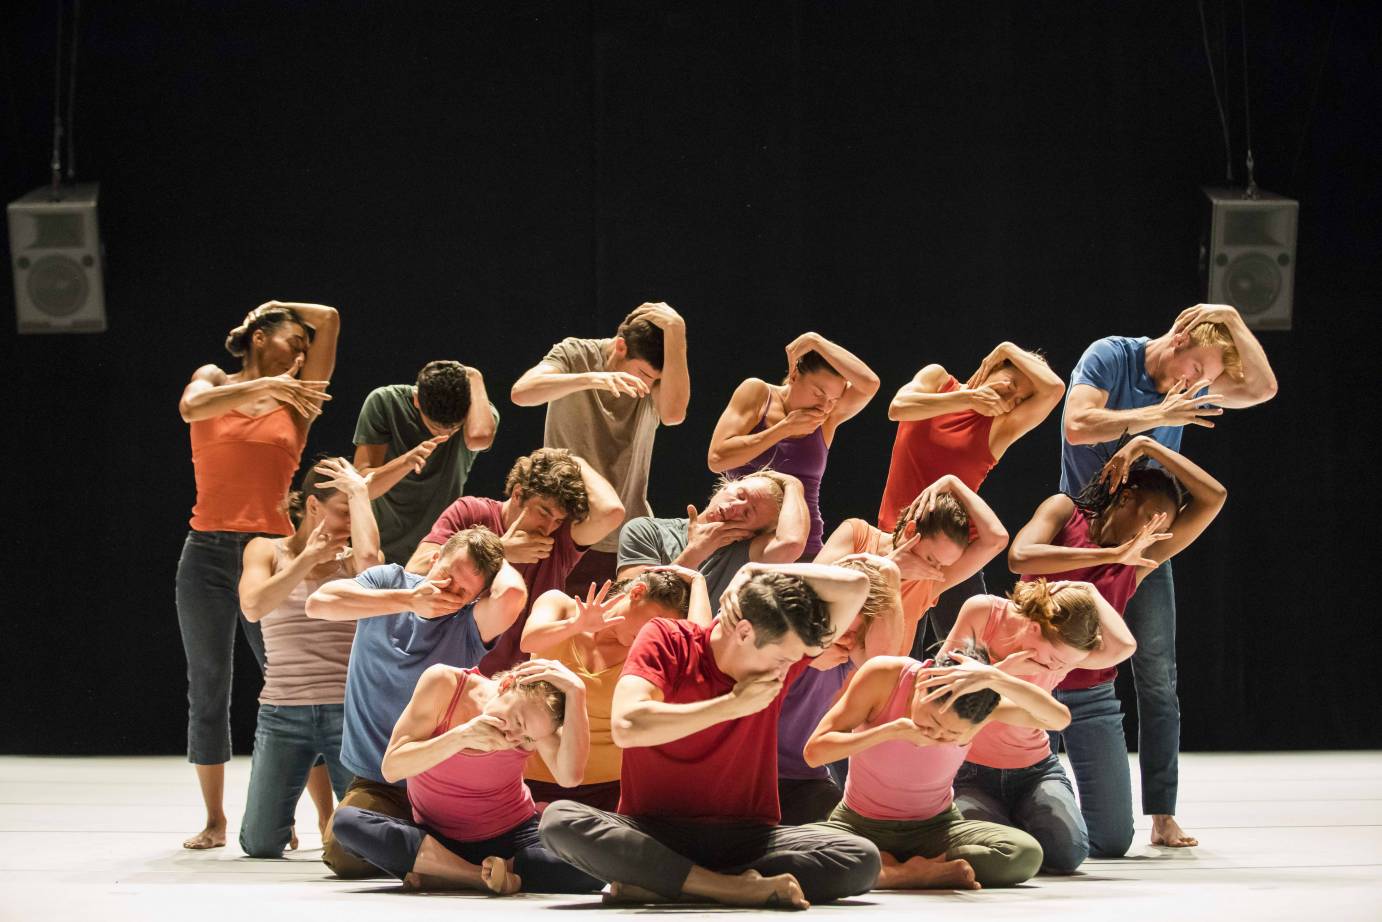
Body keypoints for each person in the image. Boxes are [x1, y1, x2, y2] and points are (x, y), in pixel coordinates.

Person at [539, 563, 882, 909]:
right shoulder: (669, 639)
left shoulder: (781, 656)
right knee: (560, 822)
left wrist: (752, 570)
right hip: (652, 831)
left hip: (746, 840)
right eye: (780, 659)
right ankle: (727, 888)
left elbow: (856, 585)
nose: (785, 671)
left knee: (860, 857)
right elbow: (627, 726)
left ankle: (669, 881)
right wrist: (731, 705)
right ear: (745, 632)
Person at [1059, 304, 1276, 849]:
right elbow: (1078, 425)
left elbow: (1263, 389)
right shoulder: (1113, 356)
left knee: (1157, 676)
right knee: (1056, 661)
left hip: (1150, 543)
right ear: (1178, 337)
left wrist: (1230, 315)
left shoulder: (1193, 383)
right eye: (1195, 368)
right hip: (1082, 535)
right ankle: (1039, 787)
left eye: (1205, 380)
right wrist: (1156, 419)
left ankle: (1161, 811)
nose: (1196, 385)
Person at [1009, 434, 1227, 855]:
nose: (1153, 532)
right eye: (1149, 518)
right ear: (1125, 498)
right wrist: (1108, 557)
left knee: (1110, 841)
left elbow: (1214, 496)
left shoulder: (1142, 554)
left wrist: (1150, 447)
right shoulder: (1063, 511)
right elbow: (1020, 557)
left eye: (1161, 527)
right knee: (1040, 827)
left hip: (1091, 694)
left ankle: (1053, 810)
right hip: (1031, 686)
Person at [175, 299, 339, 850]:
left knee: (297, 683)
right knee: (208, 685)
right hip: (205, 553)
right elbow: (192, 408)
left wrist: (285, 307)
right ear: (258, 337)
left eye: (302, 345)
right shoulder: (214, 378)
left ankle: (323, 816)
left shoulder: (300, 403)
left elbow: (331, 318)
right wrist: (261, 389)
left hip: (271, 554)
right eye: (292, 337)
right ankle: (215, 819)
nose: (300, 350)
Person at [304, 527, 527, 878]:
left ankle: (429, 859)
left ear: (475, 598)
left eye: (462, 590)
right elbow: (318, 604)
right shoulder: (388, 580)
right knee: (341, 851)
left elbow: (512, 593)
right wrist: (408, 599)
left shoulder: (468, 624)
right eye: (447, 574)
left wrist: (501, 553)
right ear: (435, 557)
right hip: (382, 781)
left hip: (444, 781)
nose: (448, 590)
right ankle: (436, 857)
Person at [804, 643, 1066, 889]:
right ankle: (903, 874)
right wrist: (889, 731)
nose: (937, 737)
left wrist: (996, 678)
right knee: (784, 852)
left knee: (1024, 854)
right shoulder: (883, 676)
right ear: (923, 681)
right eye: (931, 721)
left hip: (935, 829)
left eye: (951, 734)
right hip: (857, 823)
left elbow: (1058, 719)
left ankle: (879, 869)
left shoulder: (983, 709)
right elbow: (814, 753)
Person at [329, 660, 603, 894]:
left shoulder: (534, 725)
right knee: (347, 822)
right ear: (507, 684)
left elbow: (569, 777)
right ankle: (478, 877)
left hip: (510, 838)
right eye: (517, 722)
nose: (514, 737)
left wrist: (577, 692)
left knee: (595, 867)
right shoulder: (445, 683)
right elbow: (392, 767)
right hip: (435, 839)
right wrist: (461, 737)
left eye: (527, 737)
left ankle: (452, 874)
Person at [878, 341, 1065, 653]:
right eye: (1012, 383)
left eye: (1019, 399)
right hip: (896, 538)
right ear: (992, 366)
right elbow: (898, 407)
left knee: (964, 659)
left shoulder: (1001, 427)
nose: (1011, 398)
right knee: (893, 652)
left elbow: (1055, 389)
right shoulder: (938, 380)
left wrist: (1006, 348)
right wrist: (967, 398)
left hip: (954, 550)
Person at [236, 457, 381, 858]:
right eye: (341, 511)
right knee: (260, 843)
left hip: (346, 713)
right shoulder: (266, 550)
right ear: (312, 506)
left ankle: (331, 820)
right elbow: (252, 606)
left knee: (360, 847)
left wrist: (360, 491)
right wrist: (306, 562)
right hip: (283, 713)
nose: (349, 523)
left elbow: (373, 564)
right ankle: (290, 816)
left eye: (356, 513)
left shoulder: (352, 560)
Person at [944, 579, 1137, 873]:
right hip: (970, 772)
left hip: (1033, 771)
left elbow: (1124, 646)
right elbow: (943, 691)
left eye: (1067, 664)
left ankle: (1024, 814)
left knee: (1069, 854)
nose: (1059, 669)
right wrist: (1003, 672)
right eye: (1056, 659)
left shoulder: (1063, 654)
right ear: (1035, 628)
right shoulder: (985, 613)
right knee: (996, 851)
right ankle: (1009, 820)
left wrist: (1090, 590)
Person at [511, 303, 690, 593]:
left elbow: (674, 414)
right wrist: (591, 379)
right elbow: (521, 393)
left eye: (654, 379)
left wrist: (676, 331)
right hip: (562, 526)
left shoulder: (655, 382)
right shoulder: (576, 353)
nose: (647, 384)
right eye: (643, 374)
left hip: (622, 535)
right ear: (620, 347)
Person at [406, 448, 625, 675]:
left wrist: (571, 458)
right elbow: (415, 571)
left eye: (558, 520)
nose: (549, 527)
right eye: (543, 512)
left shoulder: (559, 540)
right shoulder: (471, 512)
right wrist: (499, 550)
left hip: (520, 681)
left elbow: (612, 513)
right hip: (452, 669)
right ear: (518, 494)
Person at [520, 567, 711, 810]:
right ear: (637, 593)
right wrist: (576, 625)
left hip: (605, 786)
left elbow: (697, 652)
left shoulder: (646, 650)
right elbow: (528, 640)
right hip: (528, 769)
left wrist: (698, 580)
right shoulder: (560, 604)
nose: (653, 633)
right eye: (655, 623)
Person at [708, 332, 880, 558]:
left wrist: (816, 342)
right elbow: (717, 458)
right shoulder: (759, 393)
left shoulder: (827, 418)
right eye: (818, 393)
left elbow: (870, 383)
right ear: (794, 375)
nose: (824, 406)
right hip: (740, 543)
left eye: (833, 400)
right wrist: (783, 429)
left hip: (804, 547)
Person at [816, 475, 1009, 656]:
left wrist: (952, 482)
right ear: (910, 531)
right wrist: (886, 567)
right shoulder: (857, 535)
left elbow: (997, 539)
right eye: (931, 558)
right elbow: (810, 589)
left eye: (943, 564)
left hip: (879, 687)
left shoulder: (929, 579)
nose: (936, 569)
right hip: (819, 670)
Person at [776, 554, 904, 825]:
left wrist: (891, 579)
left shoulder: (846, 651)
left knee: (857, 846)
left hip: (804, 778)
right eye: (841, 624)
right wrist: (806, 654)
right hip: (748, 775)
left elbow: (882, 661)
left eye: (856, 632)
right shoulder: (779, 633)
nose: (847, 638)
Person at [353, 360, 499, 564]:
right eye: (436, 428)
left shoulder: (475, 414)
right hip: (377, 547)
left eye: (454, 428)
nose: (446, 434)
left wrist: (474, 375)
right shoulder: (385, 402)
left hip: (434, 552)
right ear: (417, 401)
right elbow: (361, 488)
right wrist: (406, 462)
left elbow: (479, 439)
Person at [615, 471, 809, 614]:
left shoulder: (745, 554)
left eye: (747, 513)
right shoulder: (646, 530)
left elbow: (792, 542)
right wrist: (694, 553)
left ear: (747, 535)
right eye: (740, 495)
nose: (735, 507)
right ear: (727, 485)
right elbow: (627, 604)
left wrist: (794, 484)